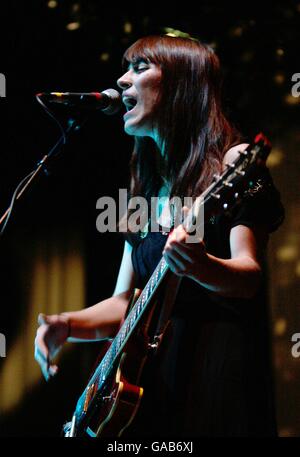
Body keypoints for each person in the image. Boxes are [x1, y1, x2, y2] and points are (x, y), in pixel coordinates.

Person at [34, 35, 284, 437]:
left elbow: (248, 275)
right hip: (153, 382)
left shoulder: (233, 164)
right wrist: (67, 324)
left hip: (215, 366)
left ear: (182, 83)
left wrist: (202, 266)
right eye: (126, 69)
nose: (121, 81)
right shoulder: (144, 189)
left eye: (139, 67)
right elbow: (124, 303)